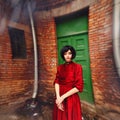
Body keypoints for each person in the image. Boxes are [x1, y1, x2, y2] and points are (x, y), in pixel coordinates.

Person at [53, 45, 84, 120]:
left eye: (69, 53)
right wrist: (58, 98)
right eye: (65, 53)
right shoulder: (60, 68)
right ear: (63, 55)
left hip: (71, 97)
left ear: (72, 54)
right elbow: (57, 82)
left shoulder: (78, 67)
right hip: (60, 96)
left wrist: (62, 97)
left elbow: (78, 87)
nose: (67, 56)